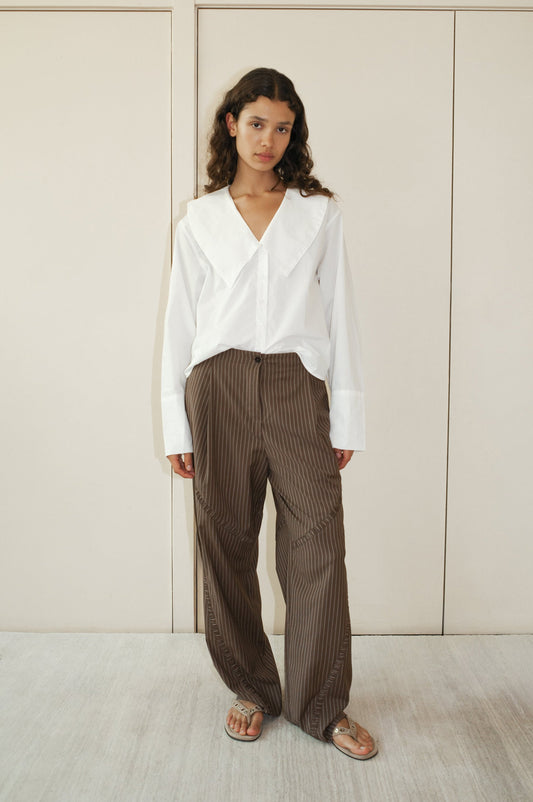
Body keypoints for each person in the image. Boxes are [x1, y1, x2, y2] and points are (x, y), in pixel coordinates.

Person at [161, 67, 377, 760]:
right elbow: (178, 325)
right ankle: (253, 689)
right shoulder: (198, 219)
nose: (268, 139)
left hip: (294, 385)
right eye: (256, 123)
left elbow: (340, 313)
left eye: (282, 127)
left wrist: (344, 416)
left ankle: (321, 706)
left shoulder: (318, 213)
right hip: (216, 384)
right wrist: (175, 422)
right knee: (225, 541)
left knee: (317, 540)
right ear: (231, 123)